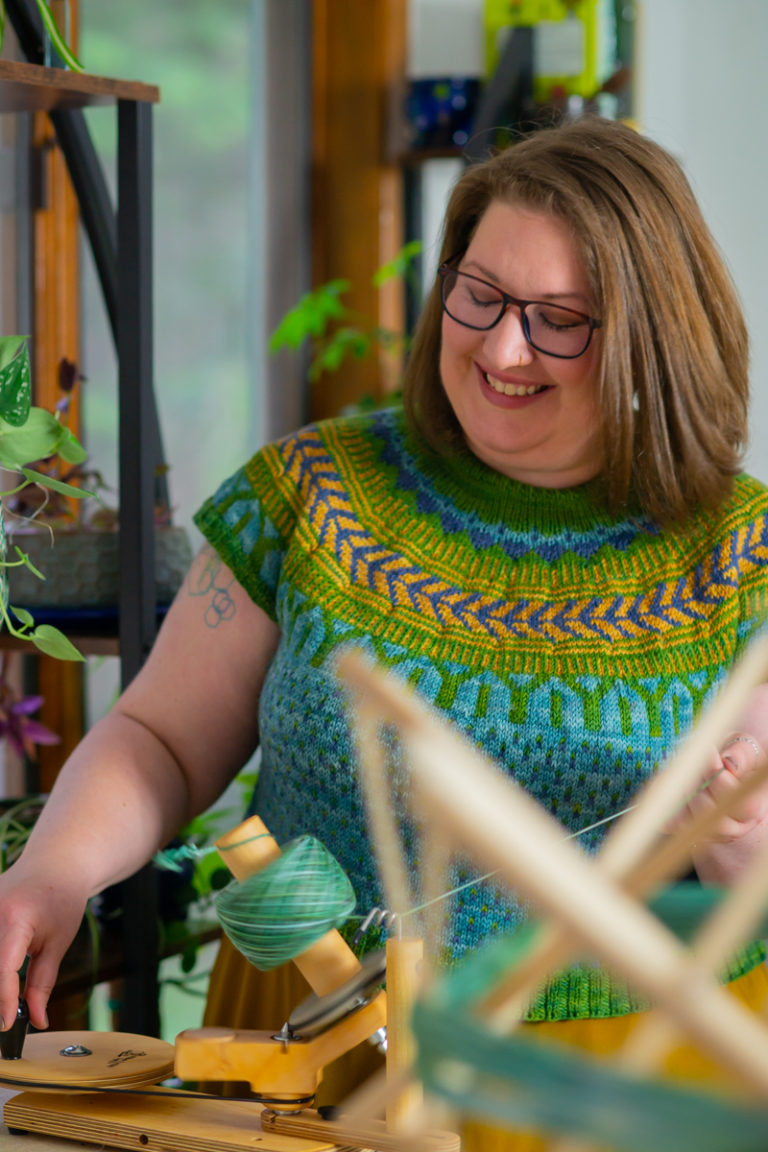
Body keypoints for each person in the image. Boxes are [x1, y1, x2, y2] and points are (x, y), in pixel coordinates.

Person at [2, 115, 768, 1150]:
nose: (502, 347)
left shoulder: (743, 554)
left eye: (560, 319)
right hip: (308, 1053)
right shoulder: (311, 496)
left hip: (619, 1082)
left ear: (651, 334)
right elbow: (163, 741)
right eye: (481, 294)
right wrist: (46, 875)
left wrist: (739, 848)